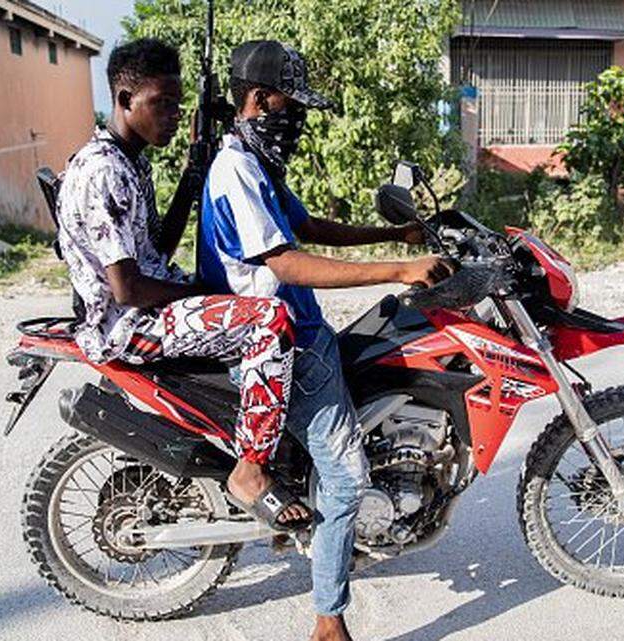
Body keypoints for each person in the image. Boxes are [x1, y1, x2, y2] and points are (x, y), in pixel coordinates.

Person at [198, 40, 453, 641]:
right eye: (293, 107)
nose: (300, 121)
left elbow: (309, 226)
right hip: (280, 342)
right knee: (346, 479)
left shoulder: (255, 162)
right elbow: (285, 262)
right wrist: (397, 268)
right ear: (260, 100)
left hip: (299, 329)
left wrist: (402, 235)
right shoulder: (235, 168)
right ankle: (328, 623)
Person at [55, 38, 310, 530]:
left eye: (177, 103)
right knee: (270, 320)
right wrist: (201, 295)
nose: (172, 115)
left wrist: (191, 180)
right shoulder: (104, 170)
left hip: (143, 306)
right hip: (129, 324)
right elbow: (128, 288)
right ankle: (250, 472)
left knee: (246, 298)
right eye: (161, 103)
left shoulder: (128, 158)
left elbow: (155, 250)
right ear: (125, 100)